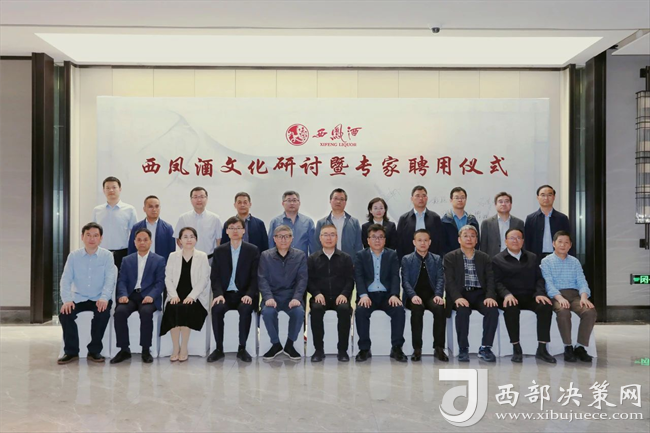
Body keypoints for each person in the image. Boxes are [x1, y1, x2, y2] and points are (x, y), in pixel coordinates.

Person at [492, 228, 556, 364]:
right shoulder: (497, 259)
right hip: (509, 296)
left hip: (530, 295)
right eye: (512, 238)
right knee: (511, 309)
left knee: (545, 306)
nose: (515, 240)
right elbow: (496, 282)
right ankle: (516, 347)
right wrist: (506, 294)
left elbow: (539, 279)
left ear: (523, 241)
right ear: (505, 241)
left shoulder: (532, 257)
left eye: (518, 238)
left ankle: (542, 348)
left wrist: (539, 293)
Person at [57, 222, 116, 364]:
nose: (92, 239)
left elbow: (110, 279)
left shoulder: (107, 256)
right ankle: (71, 352)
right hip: (78, 298)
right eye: (88, 235)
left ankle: (94, 351)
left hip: (99, 298)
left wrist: (104, 298)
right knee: (65, 314)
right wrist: (67, 300)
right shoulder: (74, 256)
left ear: (101, 238)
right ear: (82, 237)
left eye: (95, 235)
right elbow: (65, 279)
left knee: (102, 314)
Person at [208, 216, 260, 363]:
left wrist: (249, 294)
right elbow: (215, 277)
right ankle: (219, 349)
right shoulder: (219, 251)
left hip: (244, 294)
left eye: (238, 228)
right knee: (217, 309)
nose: (235, 231)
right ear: (227, 231)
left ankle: (242, 348)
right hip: (225, 294)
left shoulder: (252, 250)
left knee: (245, 309)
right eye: (231, 228)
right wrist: (218, 294)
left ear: (244, 231)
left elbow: (255, 277)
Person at [111, 228, 166, 364]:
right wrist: (123, 295)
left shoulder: (159, 260)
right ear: (134, 242)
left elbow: (160, 282)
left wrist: (152, 296)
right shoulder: (127, 260)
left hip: (148, 296)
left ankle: (146, 350)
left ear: (150, 242)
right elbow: (122, 281)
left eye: (145, 240)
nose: (142, 242)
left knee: (146, 312)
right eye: (139, 240)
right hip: (130, 296)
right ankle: (124, 349)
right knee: (119, 312)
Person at [444, 225, 498, 362]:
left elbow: (490, 279)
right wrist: (457, 298)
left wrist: (490, 296)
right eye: (466, 236)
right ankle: (463, 348)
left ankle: (486, 348)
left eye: (473, 236)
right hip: (461, 294)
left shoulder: (484, 257)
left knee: (492, 310)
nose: (469, 239)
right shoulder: (450, 257)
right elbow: (449, 281)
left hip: (480, 294)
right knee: (462, 311)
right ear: (459, 239)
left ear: (476, 240)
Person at [541, 231, 597, 363]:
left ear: (570, 245)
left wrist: (584, 297)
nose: (563, 245)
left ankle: (580, 347)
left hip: (575, 295)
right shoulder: (546, 261)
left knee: (590, 311)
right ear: (553, 244)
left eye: (566, 242)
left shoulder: (574, 262)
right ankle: (568, 347)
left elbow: (582, 281)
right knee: (563, 312)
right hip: (556, 295)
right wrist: (560, 298)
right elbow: (548, 283)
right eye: (560, 242)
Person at [354, 224, 407, 362]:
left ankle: (397, 348)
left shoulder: (392, 254)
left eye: (380, 237)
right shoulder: (360, 255)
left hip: (387, 295)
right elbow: (359, 277)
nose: (377, 240)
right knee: (360, 311)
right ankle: (364, 349)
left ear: (385, 240)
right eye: (374, 237)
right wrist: (363, 295)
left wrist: (394, 294)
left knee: (399, 310)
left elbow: (395, 276)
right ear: (368, 240)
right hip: (368, 295)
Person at [160, 227, 211, 362]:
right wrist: (173, 295)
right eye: (185, 237)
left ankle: (184, 347)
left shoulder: (202, 256)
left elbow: (204, 279)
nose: (189, 239)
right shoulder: (173, 256)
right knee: (173, 307)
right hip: (175, 295)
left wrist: (191, 296)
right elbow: (168, 278)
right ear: (179, 240)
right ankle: (175, 347)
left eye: (192, 236)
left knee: (185, 308)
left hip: (196, 297)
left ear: (196, 239)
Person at [259, 225, 308, 361]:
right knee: (268, 312)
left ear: (292, 238)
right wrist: (268, 297)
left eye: (287, 236)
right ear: (274, 239)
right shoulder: (265, 256)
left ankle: (290, 344)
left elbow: (302, 279)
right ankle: (276, 344)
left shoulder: (300, 256)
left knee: (298, 312)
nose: (283, 240)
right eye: (280, 236)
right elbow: (262, 279)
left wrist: (297, 297)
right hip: (273, 296)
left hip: (292, 296)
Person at [307, 224, 354, 363]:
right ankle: (318, 350)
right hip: (320, 297)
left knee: (344, 310)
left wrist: (344, 294)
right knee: (316, 310)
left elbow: (350, 280)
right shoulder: (312, 258)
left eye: (332, 234)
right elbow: (308, 280)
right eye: (325, 235)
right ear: (320, 238)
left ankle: (342, 350)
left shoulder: (345, 258)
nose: (329, 238)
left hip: (340, 297)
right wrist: (316, 293)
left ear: (337, 237)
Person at [401, 229, 448, 362]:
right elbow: (405, 281)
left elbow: (440, 279)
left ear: (430, 242)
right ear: (414, 242)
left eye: (425, 240)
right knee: (417, 309)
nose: (423, 243)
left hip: (431, 296)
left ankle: (439, 347)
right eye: (419, 240)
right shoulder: (407, 259)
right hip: (413, 296)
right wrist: (412, 295)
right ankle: (417, 348)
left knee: (439, 308)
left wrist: (438, 294)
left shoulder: (436, 259)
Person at [92, 176, 138, 269]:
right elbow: (94, 233)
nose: (111, 190)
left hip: (123, 254)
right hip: (102, 253)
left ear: (120, 189)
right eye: (108, 188)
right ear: (104, 190)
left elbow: (135, 233)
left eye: (114, 187)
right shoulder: (97, 210)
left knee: (122, 278)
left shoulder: (129, 209)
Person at [396, 185, 443, 260]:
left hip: (431, 260)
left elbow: (441, 242)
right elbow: (399, 243)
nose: (421, 198)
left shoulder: (435, 218)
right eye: (417, 196)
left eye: (423, 196)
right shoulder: (404, 219)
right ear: (412, 199)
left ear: (427, 198)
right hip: (409, 261)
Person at [524, 185, 572, 260]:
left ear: (554, 197)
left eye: (549, 195)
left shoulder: (562, 218)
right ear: (538, 197)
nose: (546, 198)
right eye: (543, 195)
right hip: (535, 258)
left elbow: (568, 239)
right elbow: (527, 242)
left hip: (558, 257)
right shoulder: (530, 219)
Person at [314, 188, 363, 258]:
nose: (338, 201)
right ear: (330, 201)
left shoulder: (354, 222)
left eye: (342, 199)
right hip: (327, 261)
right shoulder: (321, 223)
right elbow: (316, 246)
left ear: (345, 202)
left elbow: (358, 246)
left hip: (349, 262)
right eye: (335, 198)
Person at [174, 187, 222, 258]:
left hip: (209, 258)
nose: (199, 200)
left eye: (202, 197)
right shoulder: (183, 218)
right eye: (195, 197)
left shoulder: (215, 218)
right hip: (188, 258)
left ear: (206, 199)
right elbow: (178, 240)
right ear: (191, 199)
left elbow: (219, 240)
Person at [127, 195, 176, 262]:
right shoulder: (136, 228)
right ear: (144, 209)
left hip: (161, 265)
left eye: (157, 206)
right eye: (150, 206)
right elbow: (131, 249)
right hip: (141, 264)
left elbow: (171, 251)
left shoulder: (168, 228)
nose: (154, 209)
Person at [268, 190, 315, 257]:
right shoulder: (275, 222)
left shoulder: (308, 222)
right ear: (283, 203)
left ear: (299, 203)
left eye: (294, 200)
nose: (292, 203)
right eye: (289, 200)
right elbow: (271, 245)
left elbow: (313, 246)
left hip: (302, 261)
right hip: (281, 261)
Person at [480, 192, 525, 258]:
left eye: (506, 201)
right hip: (493, 259)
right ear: (495, 205)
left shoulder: (519, 223)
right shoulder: (487, 223)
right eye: (500, 202)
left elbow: (522, 244)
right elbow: (483, 246)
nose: (503, 204)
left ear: (511, 204)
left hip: (514, 259)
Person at [441, 187, 480, 255]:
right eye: (456, 198)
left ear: (466, 200)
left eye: (462, 197)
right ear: (451, 200)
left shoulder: (472, 221)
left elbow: (477, 242)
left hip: (470, 256)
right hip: (450, 257)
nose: (460, 200)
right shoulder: (444, 221)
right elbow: (442, 244)